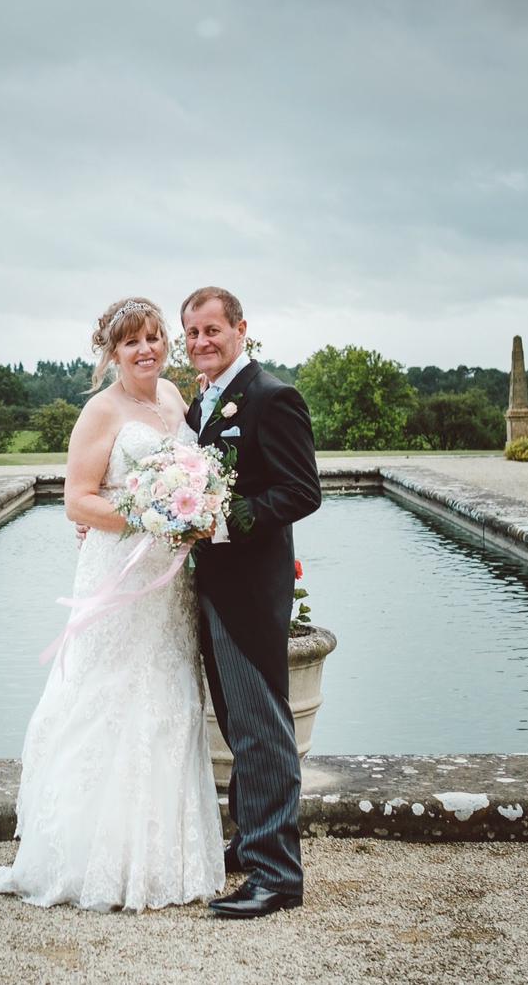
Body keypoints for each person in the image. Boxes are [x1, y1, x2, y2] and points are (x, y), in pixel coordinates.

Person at [0, 297, 224, 912]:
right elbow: (77, 501)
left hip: (170, 585)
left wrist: (184, 512)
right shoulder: (100, 411)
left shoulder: (175, 398)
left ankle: (165, 859)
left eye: (154, 338)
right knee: (106, 696)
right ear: (112, 352)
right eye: (132, 342)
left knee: (168, 698)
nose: (147, 350)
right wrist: (149, 516)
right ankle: (91, 861)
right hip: (119, 577)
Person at [181, 286, 322, 919]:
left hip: (251, 588)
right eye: (193, 333)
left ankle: (277, 878)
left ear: (241, 329)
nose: (201, 342)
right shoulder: (201, 404)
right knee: (240, 724)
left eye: (213, 330)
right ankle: (250, 840)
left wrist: (238, 516)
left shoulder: (273, 396)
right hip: (212, 584)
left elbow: (302, 491)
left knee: (262, 725)